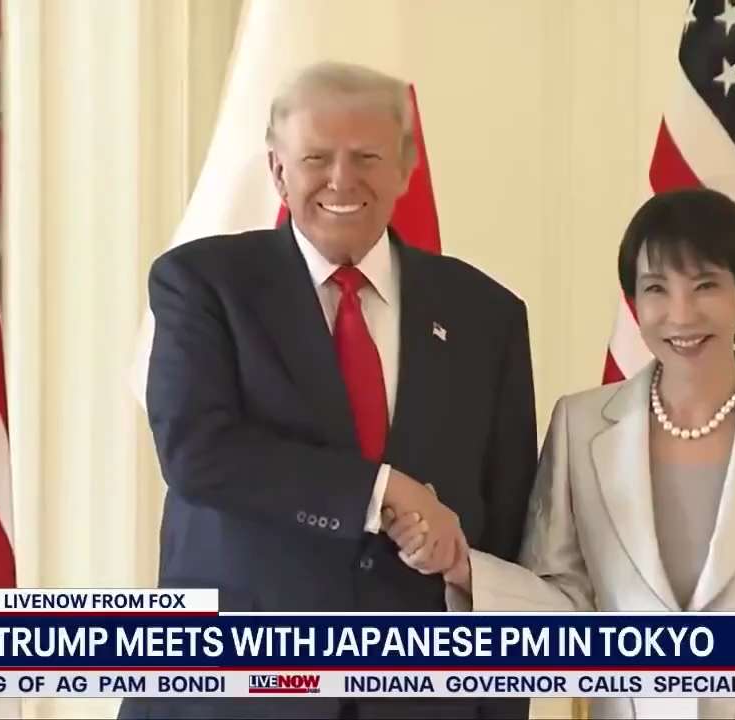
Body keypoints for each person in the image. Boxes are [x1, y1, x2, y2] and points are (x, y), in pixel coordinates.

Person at [124, 61, 537, 720]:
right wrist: (378, 492)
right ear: (278, 170)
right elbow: (197, 454)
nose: (342, 180)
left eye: (367, 156)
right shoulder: (203, 284)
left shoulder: (486, 313)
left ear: (405, 168)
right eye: (317, 157)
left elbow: (507, 526)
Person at [389, 188, 735, 719]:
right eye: (656, 289)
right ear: (635, 303)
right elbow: (564, 603)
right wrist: (463, 567)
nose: (680, 314)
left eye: (705, 286)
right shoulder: (580, 425)